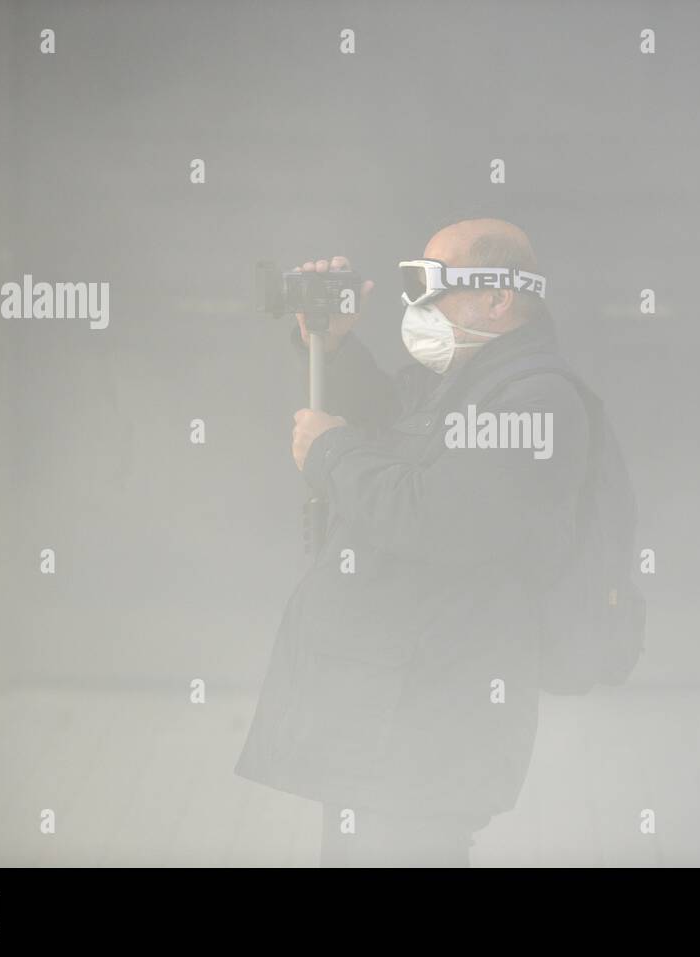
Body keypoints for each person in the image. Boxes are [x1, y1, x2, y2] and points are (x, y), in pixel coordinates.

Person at [234, 218, 590, 866]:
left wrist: (329, 451)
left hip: (433, 726)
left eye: (430, 285)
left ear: (497, 297)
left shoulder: (536, 400)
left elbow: (433, 514)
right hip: (389, 717)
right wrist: (333, 345)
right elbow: (386, 423)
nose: (415, 305)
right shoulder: (460, 381)